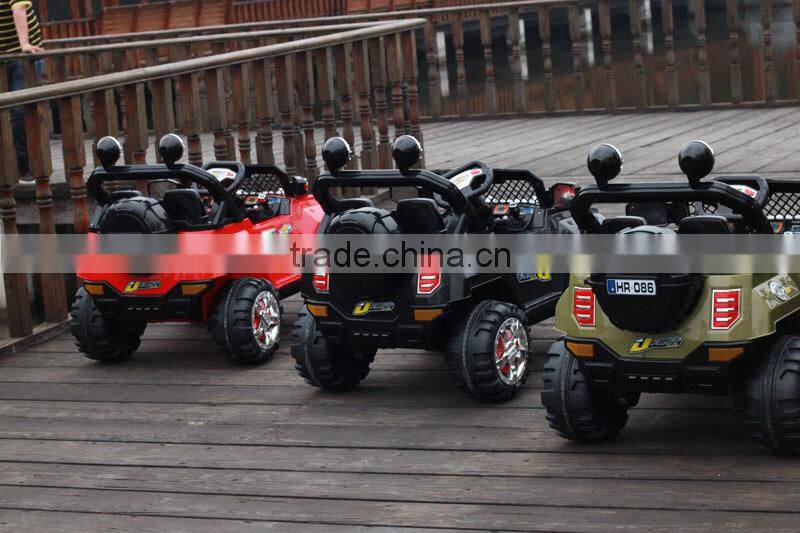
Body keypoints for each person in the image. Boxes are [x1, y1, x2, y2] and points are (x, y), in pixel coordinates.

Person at [2, 0, 43, 177]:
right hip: (3, 58)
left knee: (19, 110)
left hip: (24, 58)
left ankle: (26, 166)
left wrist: (24, 43)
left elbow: (19, 8)